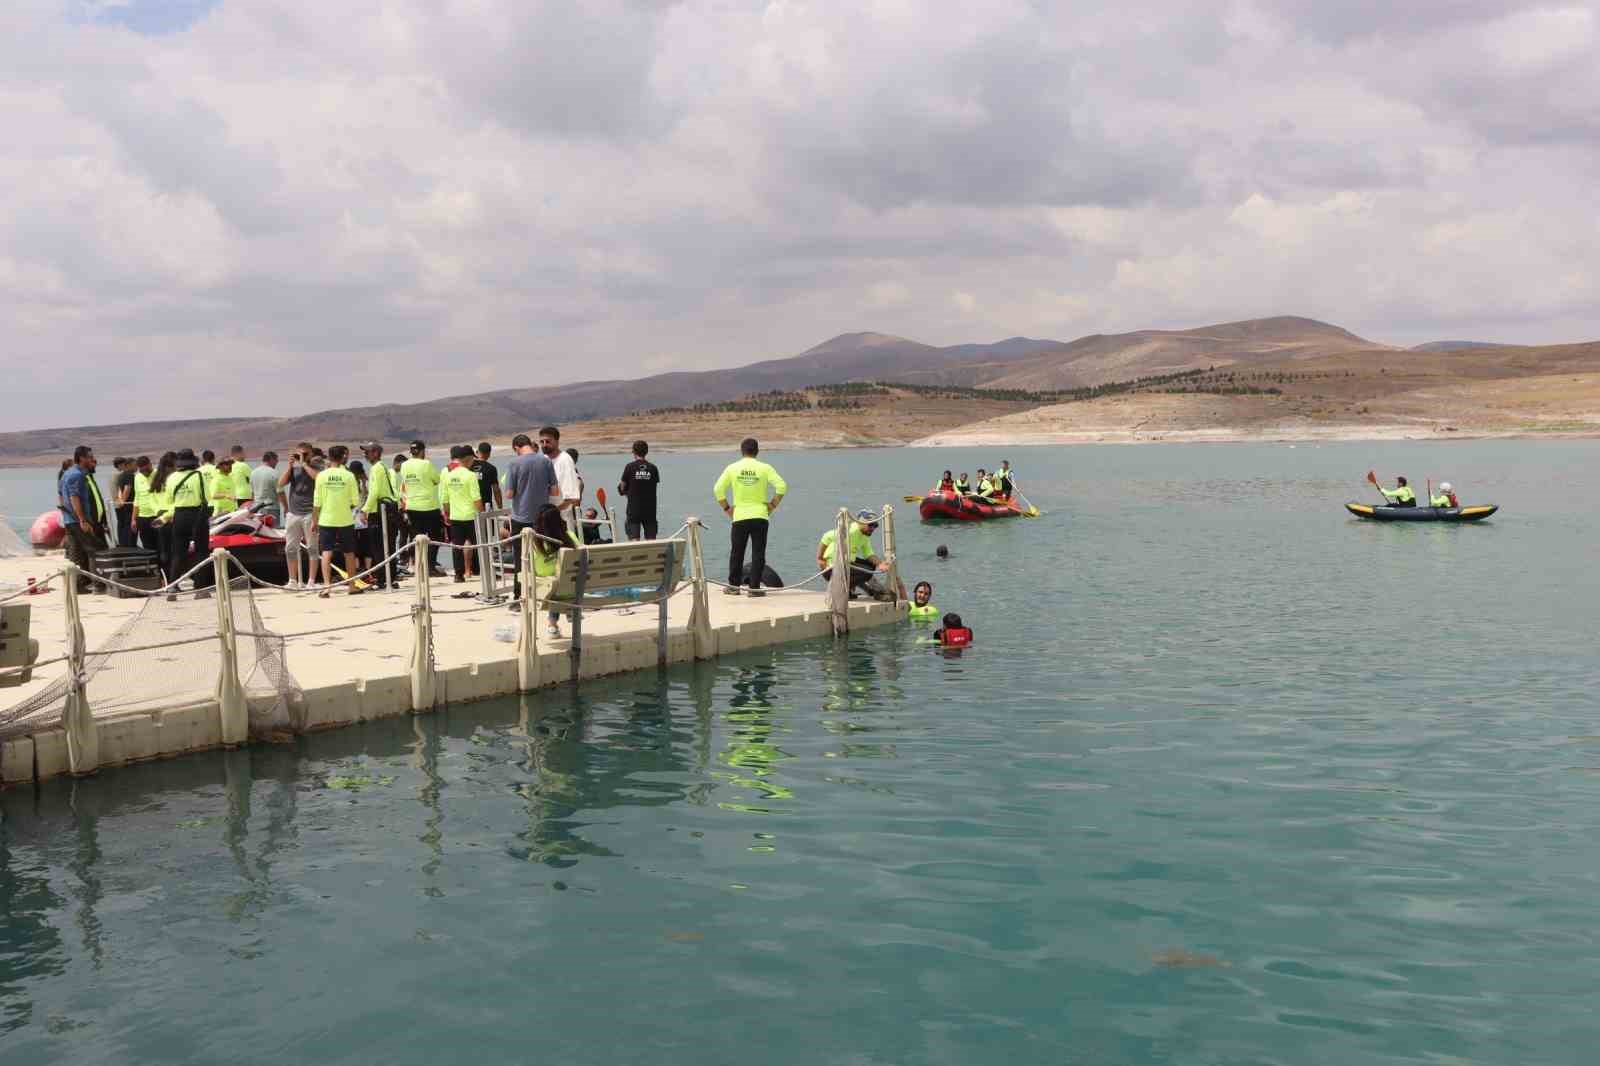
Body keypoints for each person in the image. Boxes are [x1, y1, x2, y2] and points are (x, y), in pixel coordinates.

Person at [714, 437, 786, 597]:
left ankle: (734, 587)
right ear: (757, 451)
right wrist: (772, 505)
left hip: (739, 516)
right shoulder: (765, 468)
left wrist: (727, 508)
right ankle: (754, 589)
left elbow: (718, 489)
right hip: (760, 515)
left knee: (736, 552)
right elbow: (781, 486)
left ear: (741, 451)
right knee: (758, 553)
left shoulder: (732, 468)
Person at [504, 433, 562, 609]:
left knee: (520, 559)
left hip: (521, 518)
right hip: (542, 518)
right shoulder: (545, 461)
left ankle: (518, 597)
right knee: (545, 556)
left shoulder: (514, 463)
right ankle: (545, 594)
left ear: (516, 447)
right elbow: (554, 492)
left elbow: (509, 494)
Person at [311, 445, 363, 598]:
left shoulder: (321, 476)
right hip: (345, 519)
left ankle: (327, 587)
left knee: (326, 552)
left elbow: (316, 501)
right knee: (349, 553)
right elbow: (355, 500)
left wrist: (315, 520)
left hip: (326, 519)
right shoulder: (348, 476)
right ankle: (352, 586)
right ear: (342, 457)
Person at [59, 445, 108, 591]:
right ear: (81, 458)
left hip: (70, 519)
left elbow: (61, 496)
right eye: (90, 457)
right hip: (77, 520)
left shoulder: (67, 473)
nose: (92, 459)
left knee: (77, 552)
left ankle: (78, 585)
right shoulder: (76, 475)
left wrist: (66, 514)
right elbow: (74, 497)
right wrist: (82, 519)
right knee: (95, 549)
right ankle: (98, 584)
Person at [164, 448, 210, 596]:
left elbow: (169, 500)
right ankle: (200, 588)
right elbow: (206, 497)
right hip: (197, 514)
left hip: (179, 515)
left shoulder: (171, 478)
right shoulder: (199, 475)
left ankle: (172, 586)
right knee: (201, 552)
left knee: (178, 552)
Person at [817, 510, 890, 600]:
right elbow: (827, 536)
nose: (873, 528)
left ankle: (857, 589)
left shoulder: (864, 535)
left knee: (870, 565)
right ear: (860, 523)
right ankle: (841, 590)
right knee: (866, 572)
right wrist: (820, 558)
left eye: (875, 525)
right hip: (833, 569)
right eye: (870, 525)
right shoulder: (851, 531)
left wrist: (880, 564)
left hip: (846, 564)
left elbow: (869, 554)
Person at [531, 503, 580, 638]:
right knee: (562, 580)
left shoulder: (536, 542)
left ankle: (552, 625)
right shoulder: (570, 536)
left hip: (549, 591)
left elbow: (535, 569)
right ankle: (570, 612)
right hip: (574, 589)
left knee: (552, 583)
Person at [400, 440, 446, 576]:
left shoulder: (404, 465)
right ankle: (430, 566)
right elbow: (437, 480)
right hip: (428, 506)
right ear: (422, 451)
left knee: (416, 537)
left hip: (412, 506)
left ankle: (417, 566)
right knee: (436, 536)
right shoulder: (426, 464)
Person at [440, 444, 484, 582]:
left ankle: (458, 575)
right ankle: (481, 570)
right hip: (471, 516)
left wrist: (447, 514)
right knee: (479, 545)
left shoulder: (449, 475)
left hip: (455, 516)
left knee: (457, 547)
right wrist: (482, 513)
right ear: (469, 459)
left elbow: (444, 499)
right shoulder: (471, 476)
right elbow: (476, 498)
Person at [278, 449, 320, 589]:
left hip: (309, 513)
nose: (299, 456)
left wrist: (304, 464)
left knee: (312, 548)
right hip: (294, 513)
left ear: (309, 455)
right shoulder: (293, 470)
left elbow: (317, 478)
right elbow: (280, 484)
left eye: (303, 454)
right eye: (297, 454)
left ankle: (311, 581)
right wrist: (290, 466)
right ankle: (292, 580)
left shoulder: (316, 467)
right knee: (290, 548)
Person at [361, 441, 400, 587]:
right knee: (388, 546)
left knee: (379, 547)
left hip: (379, 512)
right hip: (387, 510)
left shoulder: (376, 468)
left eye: (368, 452)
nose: (365, 454)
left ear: (376, 453)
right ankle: (391, 577)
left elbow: (375, 492)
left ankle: (383, 579)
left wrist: (365, 509)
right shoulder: (383, 467)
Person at [539, 427, 582, 534]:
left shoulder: (565, 460)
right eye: (542, 441)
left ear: (557, 441)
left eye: (548, 441)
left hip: (561, 522)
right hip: (544, 520)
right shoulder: (542, 460)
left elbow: (571, 497)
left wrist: (553, 512)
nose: (544, 444)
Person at [618, 439, 661, 541]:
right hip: (650, 509)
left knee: (634, 541)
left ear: (634, 452)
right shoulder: (653, 468)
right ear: (646, 452)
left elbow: (622, 487)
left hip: (634, 509)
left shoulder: (629, 467)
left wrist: (625, 492)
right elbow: (652, 485)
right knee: (651, 540)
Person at [147, 452, 178, 582]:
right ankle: (174, 580)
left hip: (159, 516)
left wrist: (158, 512)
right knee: (175, 550)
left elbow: (151, 499)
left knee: (163, 550)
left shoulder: (155, 480)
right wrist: (169, 514)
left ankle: (165, 580)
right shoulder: (174, 479)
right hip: (172, 515)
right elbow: (178, 500)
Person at [132, 455, 162, 553]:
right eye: (141, 471)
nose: (144, 473)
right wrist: (133, 519)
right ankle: (153, 567)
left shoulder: (159, 474)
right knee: (148, 548)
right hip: (143, 518)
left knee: (161, 546)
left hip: (157, 516)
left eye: (146, 470)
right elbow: (137, 498)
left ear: (150, 464)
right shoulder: (137, 477)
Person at [250, 451, 281, 522]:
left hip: (257, 509)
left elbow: (252, 493)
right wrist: (286, 507)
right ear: (272, 459)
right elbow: (280, 492)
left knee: (259, 531)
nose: (277, 463)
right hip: (271, 508)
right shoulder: (274, 473)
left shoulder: (253, 472)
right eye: (276, 460)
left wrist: (252, 508)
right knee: (272, 531)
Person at [113, 457, 137, 547]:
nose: (137, 467)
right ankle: (131, 546)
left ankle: (124, 544)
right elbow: (127, 489)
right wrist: (124, 500)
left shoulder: (121, 476)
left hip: (124, 506)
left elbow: (120, 490)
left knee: (124, 525)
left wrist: (121, 500)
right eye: (135, 465)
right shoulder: (130, 475)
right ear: (129, 465)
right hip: (130, 505)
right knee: (131, 526)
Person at [475, 443, 503, 511]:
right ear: (489, 454)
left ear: (477, 452)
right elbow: (496, 490)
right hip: (486, 507)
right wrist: (500, 507)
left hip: (471, 506)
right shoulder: (491, 468)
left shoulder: (468, 467)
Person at [228, 445, 251, 510]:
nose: (245, 455)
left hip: (231, 497)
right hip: (244, 496)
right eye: (243, 453)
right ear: (238, 454)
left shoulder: (226, 466)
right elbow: (253, 479)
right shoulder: (243, 465)